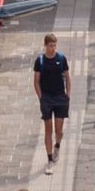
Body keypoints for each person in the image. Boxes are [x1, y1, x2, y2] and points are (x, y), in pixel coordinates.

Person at [33, 33, 71, 171]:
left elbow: (67, 77)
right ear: (45, 45)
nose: (53, 48)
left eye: (55, 45)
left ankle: (57, 146)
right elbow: (36, 81)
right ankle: (49, 158)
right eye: (50, 46)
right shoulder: (40, 61)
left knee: (59, 130)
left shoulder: (61, 59)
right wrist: (41, 97)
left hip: (60, 97)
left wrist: (68, 95)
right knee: (48, 129)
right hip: (47, 99)